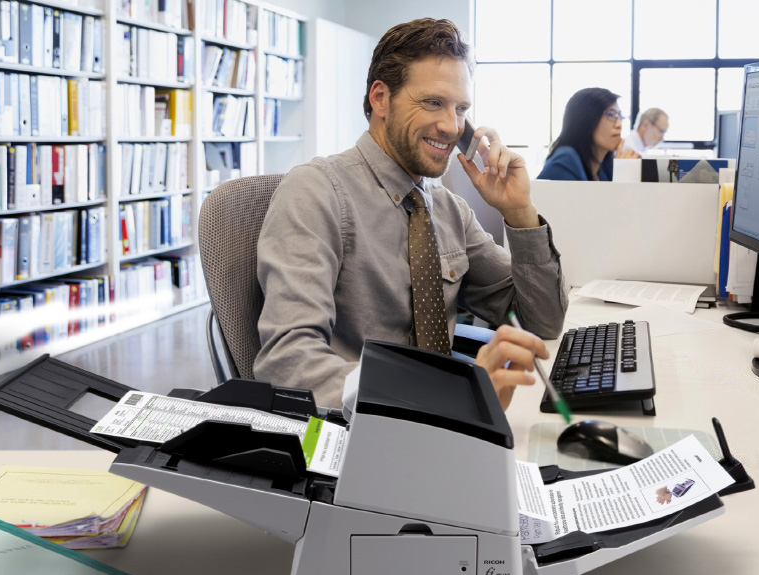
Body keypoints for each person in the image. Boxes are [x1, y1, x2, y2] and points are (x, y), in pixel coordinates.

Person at [254, 18, 568, 409]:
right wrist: (440, 398)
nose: (451, 127)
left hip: (446, 423)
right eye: (434, 103)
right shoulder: (316, 192)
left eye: (461, 109)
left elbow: (543, 322)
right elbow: (289, 365)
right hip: (360, 433)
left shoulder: (449, 211)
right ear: (380, 99)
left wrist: (519, 211)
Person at [537, 87, 639, 182]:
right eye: (611, 114)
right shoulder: (566, 159)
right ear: (586, 119)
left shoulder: (604, 164)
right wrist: (623, 175)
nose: (619, 125)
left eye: (619, 116)